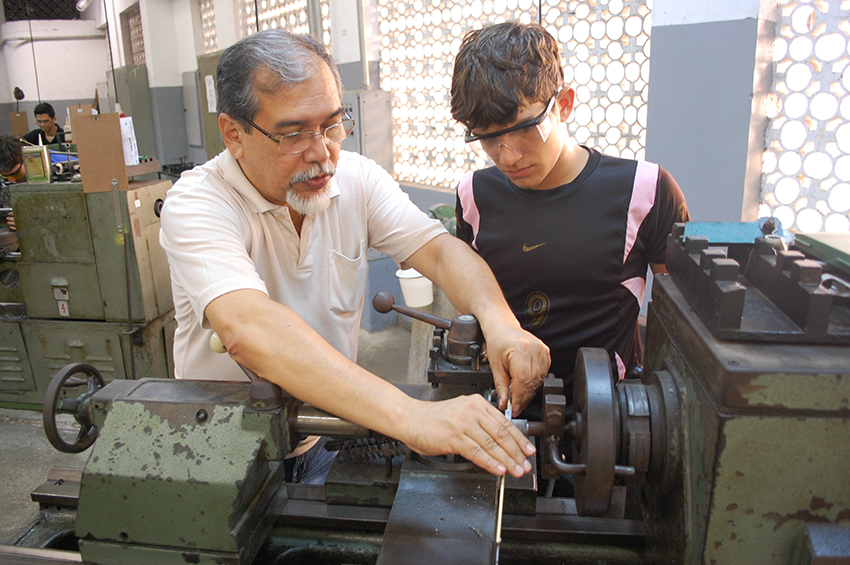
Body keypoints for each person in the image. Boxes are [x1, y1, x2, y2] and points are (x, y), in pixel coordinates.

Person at [159, 30, 550, 484]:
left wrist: (501, 322)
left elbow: (441, 253)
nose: (322, 153)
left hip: (318, 438)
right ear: (234, 134)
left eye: (331, 124)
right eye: (293, 135)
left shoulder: (356, 180)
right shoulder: (198, 204)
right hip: (214, 458)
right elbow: (248, 327)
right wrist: (412, 417)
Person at [451, 22, 690, 406]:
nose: (507, 156)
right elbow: (469, 309)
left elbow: (683, 325)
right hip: (505, 409)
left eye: (525, 129)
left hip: (613, 422)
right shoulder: (474, 195)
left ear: (563, 104)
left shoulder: (645, 190)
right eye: (488, 137)